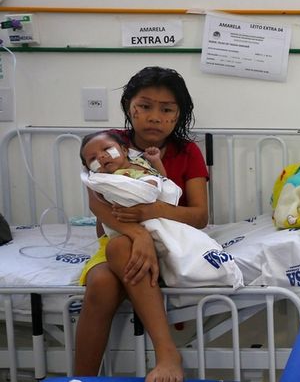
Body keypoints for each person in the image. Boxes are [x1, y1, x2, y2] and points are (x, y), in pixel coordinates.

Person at [75, 67, 209, 382]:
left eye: (166, 109)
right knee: (102, 281)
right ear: (128, 107)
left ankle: (166, 353)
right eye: (145, 106)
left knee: (121, 249)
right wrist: (138, 234)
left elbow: (200, 216)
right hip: (116, 238)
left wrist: (149, 212)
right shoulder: (108, 145)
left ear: (179, 114)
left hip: (168, 241)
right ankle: (81, 378)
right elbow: (96, 202)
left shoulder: (187, 151)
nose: (154, 117)